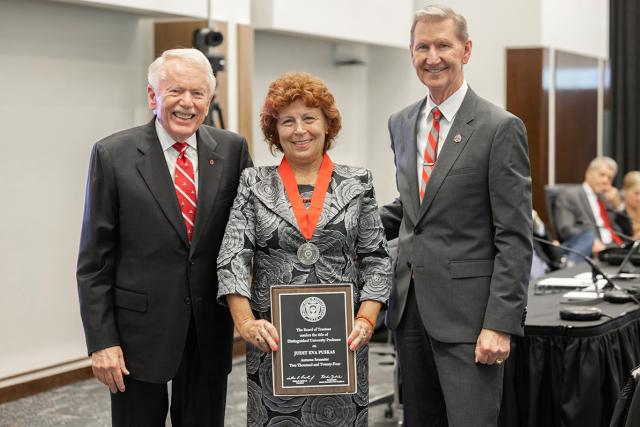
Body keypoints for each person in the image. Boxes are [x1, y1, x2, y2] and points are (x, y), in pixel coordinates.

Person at [76, 48, 252, 426]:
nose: (186, 103)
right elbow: (94, 261)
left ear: (210, 99)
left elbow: (248, 234)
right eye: (175, 91)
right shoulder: (113, 154)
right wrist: (102, 341)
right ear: (153, 96)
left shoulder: (233, 150)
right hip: (138, 333)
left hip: (208, 328)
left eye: (198, 93)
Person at [379, 6, 532, 426]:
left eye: (443, 45)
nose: (433, 57)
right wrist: (342, 221)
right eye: (422, 46)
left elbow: (515, 236)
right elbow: (415, 206)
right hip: (410, 313)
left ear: (466, 50)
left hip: (470, 320)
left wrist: (500, 324)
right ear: (411, 53)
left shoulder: (500, 127)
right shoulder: (401, 122)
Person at [217, 71, 392, 426]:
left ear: (328, 125)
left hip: (343, 343)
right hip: (274, 344)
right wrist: (246, 323)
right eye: (287, 121)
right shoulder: (254, 183)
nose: (299, 130)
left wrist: (366, 319)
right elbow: (233, 256)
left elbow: (377, 260)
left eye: (309, 118)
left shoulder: (357, 182)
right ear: (274, 131)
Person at [554, 156, 624, 257]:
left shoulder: (606, 199)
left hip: (614, 249)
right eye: (602, 175)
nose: (605, 181)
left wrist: (618, 205)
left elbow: (622, 230)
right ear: (589, 173)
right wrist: (590, 241)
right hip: (593, 252)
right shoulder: (570, 196)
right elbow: (566, 229)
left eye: (610, 178)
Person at [616, 171, 640, 240]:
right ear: (625, 191)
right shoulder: (617, 215)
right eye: (636, 193)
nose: (639, 198)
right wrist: (635, 239)